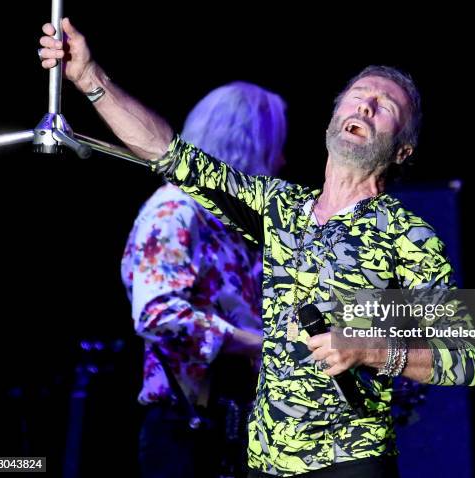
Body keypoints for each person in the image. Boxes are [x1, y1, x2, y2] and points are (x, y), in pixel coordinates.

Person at [40, 19, 475, 478]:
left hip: (350, 461)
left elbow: (464, 357)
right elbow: (169, 153)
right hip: (263, 462)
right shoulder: (279, 206)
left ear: (403, 151)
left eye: (385, 106)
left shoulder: (408, 235)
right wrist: (90, 78)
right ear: (334, 116)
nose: (367, 105)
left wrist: (371, 350)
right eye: (358, 96)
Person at [39, 19, 287, 478]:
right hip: (187, 432)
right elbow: (158, 314)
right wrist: (255, 343)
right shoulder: (175, 209)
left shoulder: (244, 229)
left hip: (247, 431)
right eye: (277, 147)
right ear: (250, 144)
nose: (283, 161)